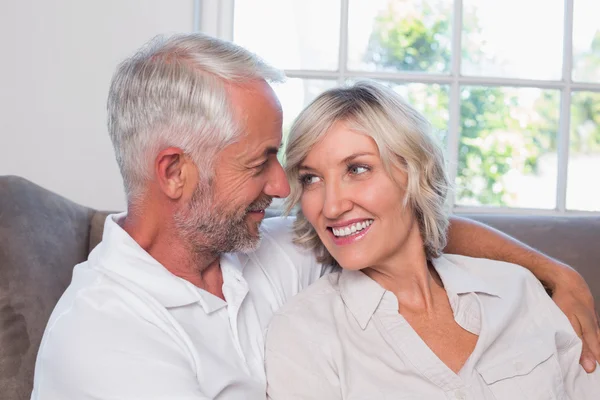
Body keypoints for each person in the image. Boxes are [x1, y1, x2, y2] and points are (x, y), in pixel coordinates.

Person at [31, 33, 598, 400]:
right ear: (175, 172)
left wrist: (552, 273)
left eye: (287, 167)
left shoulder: (261, 252)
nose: (284, 189)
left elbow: (410, 229)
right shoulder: (102, 342)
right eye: (261, 163)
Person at [264, 80, 600, 399]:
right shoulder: (302, 333)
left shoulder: (518, 291)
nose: (332, 206)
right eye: (311, 179)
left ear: (413, 171)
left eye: (357, 169)